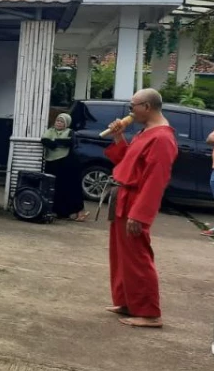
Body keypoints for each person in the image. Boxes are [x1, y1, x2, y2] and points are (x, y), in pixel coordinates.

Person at [101, 88, 177, 329]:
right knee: (121, 255)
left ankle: (149, 312)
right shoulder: (145, 133)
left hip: (136, 202)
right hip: (124, 196)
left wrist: (140, 214)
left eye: (132, 106)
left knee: (138, 257)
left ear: (147, 107)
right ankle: (126, 301)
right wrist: (118, 137)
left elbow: (156, 180)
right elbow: (127, 163)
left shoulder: (162, 138)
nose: (130, 111)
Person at [42, 113, 87, 221]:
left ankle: (72, 212)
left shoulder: (69, 132)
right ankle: (57, 212)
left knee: (67, 188)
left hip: (67, 164)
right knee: (55, 188)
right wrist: (57, 143)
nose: (59, 123)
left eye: (62, 121)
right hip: (52, 163)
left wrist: (55, 141)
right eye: (57, 120)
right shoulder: (50, 131)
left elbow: (69, 142)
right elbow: (45, 140)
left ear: (66, 124)